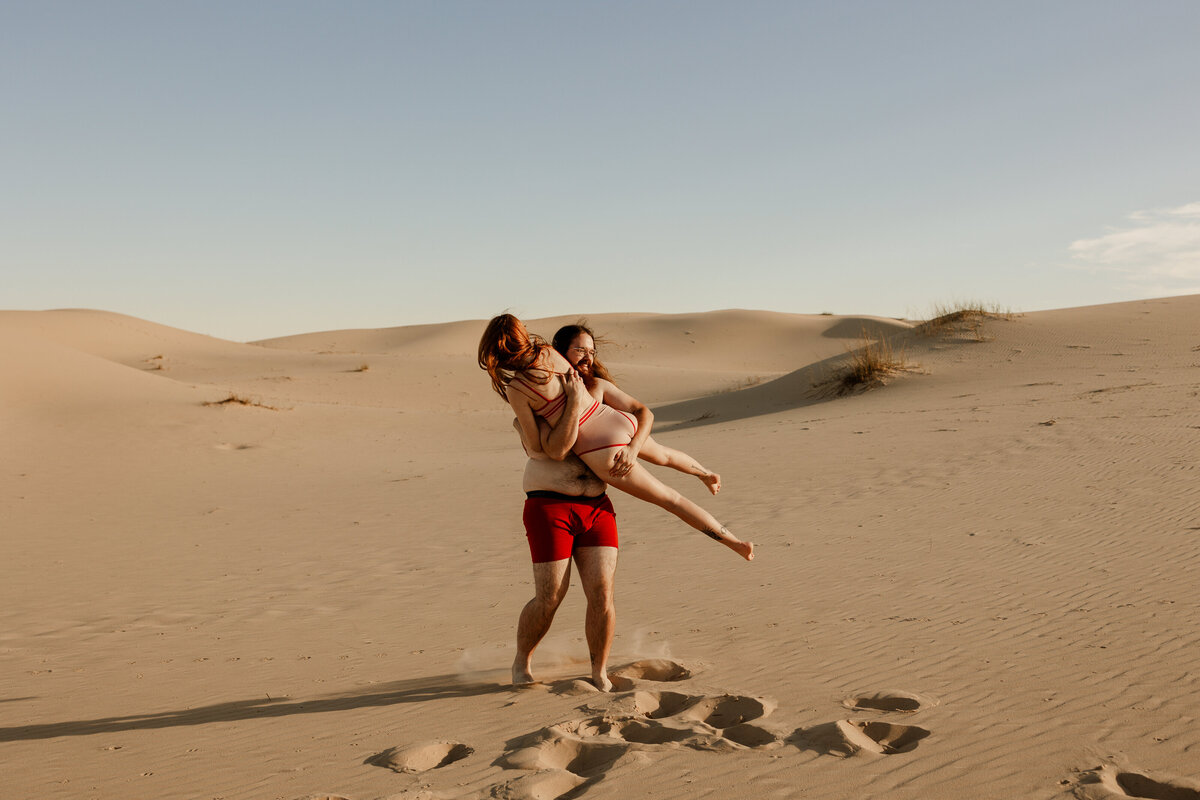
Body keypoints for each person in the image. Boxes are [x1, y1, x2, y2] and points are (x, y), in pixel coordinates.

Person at [479, 314, 754, 561]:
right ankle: (706, 474)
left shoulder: (517, 389)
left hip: (599, 447)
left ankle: (736, 544)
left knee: (671, 500)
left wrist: (529, 427)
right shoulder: (549, 352)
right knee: (665, 455)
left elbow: (543, 448)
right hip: (613, 418)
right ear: (522, 335)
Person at [512, 375, 618, 691]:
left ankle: (599, 670)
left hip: (598, 507)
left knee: (602, 594)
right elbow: (549, 450)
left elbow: (641, 415)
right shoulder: (536, 405)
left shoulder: (600, 397)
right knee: (550, 597)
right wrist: (572, 399)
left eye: (590, 351)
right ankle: (522, 662)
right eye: (578, 351)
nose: (585, 358)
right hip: (550, 505)